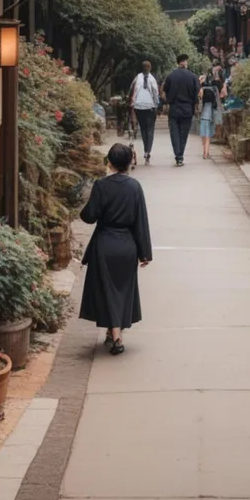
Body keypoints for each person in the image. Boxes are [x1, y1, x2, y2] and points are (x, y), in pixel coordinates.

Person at [79, 143, 152, 355]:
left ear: (109, 162)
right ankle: (115, 332)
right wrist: (144, 252)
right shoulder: (135, 187)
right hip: (127, 245)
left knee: (107, 289)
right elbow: (141, 222)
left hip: (105, 243)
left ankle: (116, 335)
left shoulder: (101, 186)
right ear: (130, 162)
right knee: (122, 290)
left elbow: (88, 216)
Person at [162, 53, 199, 166]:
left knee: (174, 133)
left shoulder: (171, 76)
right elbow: (196, 93)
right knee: (183, 134)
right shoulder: (193, 76)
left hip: (174, 109)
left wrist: (168, 101)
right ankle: (180, 157)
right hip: (187, 109)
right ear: (185, 62)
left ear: (177, 63)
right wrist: (195, 105)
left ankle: (178, 155)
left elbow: (165, 91)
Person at [128, 60, 159, 164]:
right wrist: (156, 105)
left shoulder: (137, 78)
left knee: (143, 128)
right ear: (150, 68)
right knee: (150, 129)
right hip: (150, 107)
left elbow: (131, 90)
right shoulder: (152, 79)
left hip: (138, 107)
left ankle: (146, 149)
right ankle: (147, 151)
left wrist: (132, 102)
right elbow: (155, 92)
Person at [198, 69, 226, 160]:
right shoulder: (215, 87)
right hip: (212, 112)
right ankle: (206, 152)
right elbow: (222, 97)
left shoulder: (202, 87)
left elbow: (199, 99)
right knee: (208, 134)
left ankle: (205, 152)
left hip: (203, 113)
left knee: (204, 133)